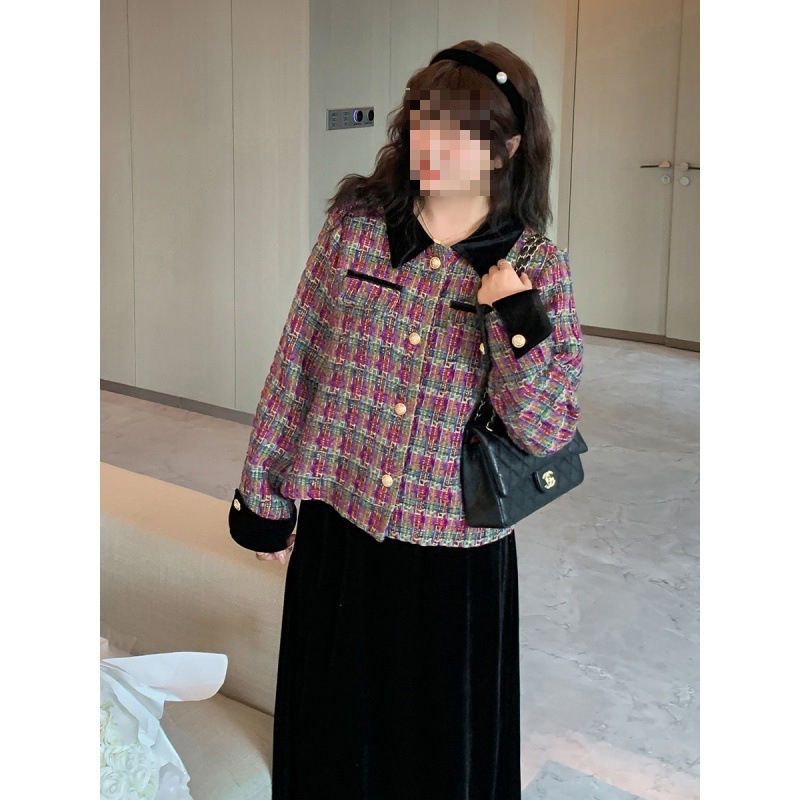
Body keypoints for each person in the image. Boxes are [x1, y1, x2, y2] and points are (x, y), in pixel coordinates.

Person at [228, 39, 584, 800]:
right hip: (341, 522)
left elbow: (546, 430)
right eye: (425, 122)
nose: (434, 147)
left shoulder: (535, 266)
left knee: (433, 758)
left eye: (462, 134)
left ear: (508, 148)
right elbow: (298, 360)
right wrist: (264, 495)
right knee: (331, 745)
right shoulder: (356, 229)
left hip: (454, 551)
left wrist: (516, 320)